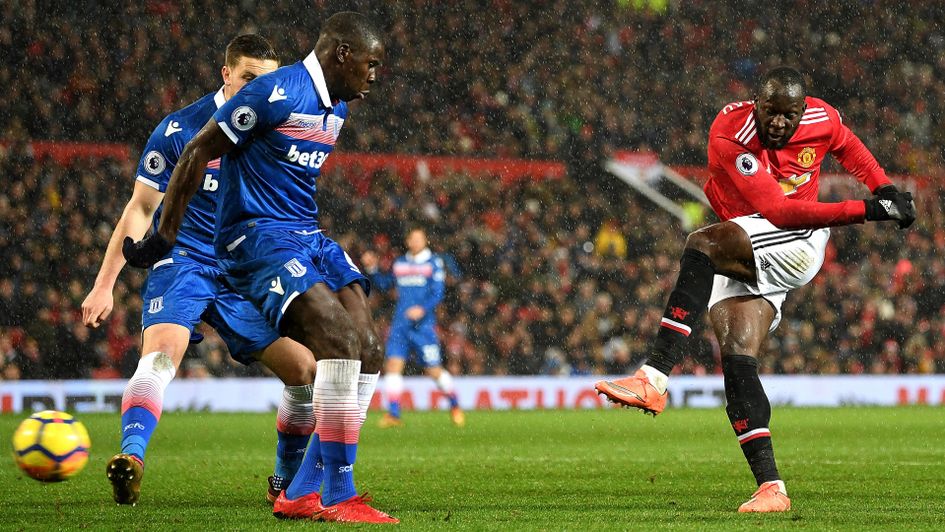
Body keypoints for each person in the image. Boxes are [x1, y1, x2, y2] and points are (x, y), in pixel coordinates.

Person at [595, 67, 916, 513]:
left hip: (798, 240)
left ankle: (652, 378)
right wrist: (872, 208)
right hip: (763, 232)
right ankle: (772, 488)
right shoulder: (731, 132)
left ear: (802, 111)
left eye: (789, 115)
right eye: (770, 112)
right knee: (736, 355)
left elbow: (846, 144)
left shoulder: (822, 118)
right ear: (755, 105)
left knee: (701, 244)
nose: (779, 123)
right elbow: (776, 210)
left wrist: (885, 187)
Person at [121, 12, 396, 524]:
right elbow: (199, 149)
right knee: (335, 341)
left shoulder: (336, 109)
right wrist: (165, 235)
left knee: (369, 349)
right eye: (370, 64)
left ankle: (301, 489)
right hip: (256, 239)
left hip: (307, 234)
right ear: (341, 54)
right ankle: (337, 492)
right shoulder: (276, 93)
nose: (374, 76)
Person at [81, 34, 322, 506]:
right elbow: (140, 209)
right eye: (250, 78)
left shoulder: (276, 131)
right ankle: (131, 459)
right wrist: (104, 284)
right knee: (161, 356)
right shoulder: (179, 129)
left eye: (268, 80)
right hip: (185, 259)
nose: (260, 88)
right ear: (226, 74)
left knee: (304, 369)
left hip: (245, 266)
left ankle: (285, 483)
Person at [376, 227, 464, 428]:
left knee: (434, 370)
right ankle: (394, 414)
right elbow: (385, 284)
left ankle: (455, 404)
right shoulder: (399, 263)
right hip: (400, 325)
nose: (416, 241)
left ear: (425, 241)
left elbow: (438, 293)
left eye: (419, 238)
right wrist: (373, 270)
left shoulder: (433, 263)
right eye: (413, 238)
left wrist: (422, 309)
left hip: (423, 327)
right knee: (393, 367)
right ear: (408, 241)